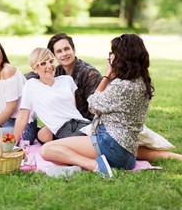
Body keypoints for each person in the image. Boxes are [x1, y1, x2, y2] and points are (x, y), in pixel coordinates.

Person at [40, 33, 153, 177]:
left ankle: (95, 166)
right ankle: (77, 167)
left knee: (47, 149)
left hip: (111, 144)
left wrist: (106, 76)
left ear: (123, 57)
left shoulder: (120, 85)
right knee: (53, 140)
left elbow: (92, 105)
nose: (110, 57)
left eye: (113, 53)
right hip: (127, 154)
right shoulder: (141, 82)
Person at [14, 47, 90, 146]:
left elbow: (72, 109)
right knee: (94, 145)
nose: (49, 66)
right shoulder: (31, 85)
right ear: (34, 69)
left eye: (51, 61)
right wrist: (13, 141)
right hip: (64, 130)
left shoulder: (67, 80)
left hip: (82, 123)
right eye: (43, 63)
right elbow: (23, 116)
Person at [25, 33, 102, 121]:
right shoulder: (58, 71)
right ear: (54, 56)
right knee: (42, 133)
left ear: (73, 50)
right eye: (59, 51)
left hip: (87, 123)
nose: (64, 54)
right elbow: (34, 74)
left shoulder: (89, 74)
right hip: (64, 122)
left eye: (67, 49)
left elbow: (96, 109)